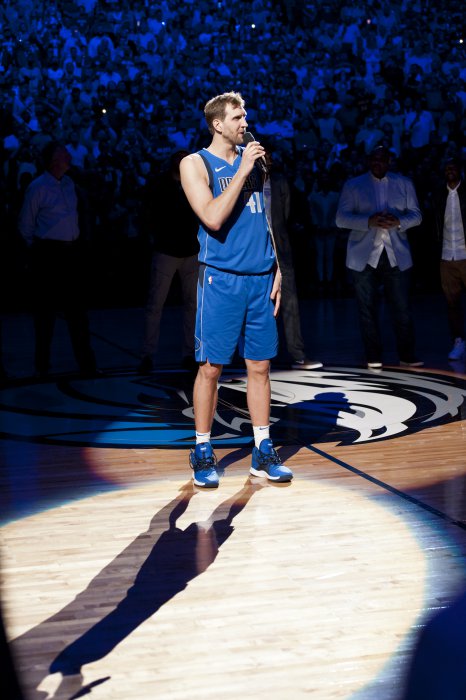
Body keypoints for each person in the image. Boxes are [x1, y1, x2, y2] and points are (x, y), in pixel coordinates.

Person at [180, 91, 293, 488]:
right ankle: (203, 449)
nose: (245, 122)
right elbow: (212, 217)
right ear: (218, 124)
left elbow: (269, 218)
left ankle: (262, 449)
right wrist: (243, 169)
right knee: (211, 367)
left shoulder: (256, 160)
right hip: (221, 279)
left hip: (261, 277)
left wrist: (278, 266)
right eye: (238, 117)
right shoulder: (195, 164)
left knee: (260, 366)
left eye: (245, 116)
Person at [335, 145, 423, 368]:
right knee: (366, 309)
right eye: (374, 159)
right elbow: (341, 219)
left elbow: (417, 215)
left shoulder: (404, 183)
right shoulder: (354, 185)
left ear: (389, 161)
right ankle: (373, 356)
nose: (378, 163)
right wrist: (368, 221)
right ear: (368, 161)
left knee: (402, 308)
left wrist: (399, 222)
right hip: (362, 256)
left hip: (396, 254)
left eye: (382, 159)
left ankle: (407, 355)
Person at [18, 141, 98, 378]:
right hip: (49, 253)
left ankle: (86, 363)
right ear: (54, 160)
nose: (68, 156)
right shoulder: (38, 187)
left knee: (77, 313)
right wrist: (39, 250)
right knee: (45, 314)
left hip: (70, 252)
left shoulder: (69, 183)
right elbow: (25, 225)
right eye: (63, 154)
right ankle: (42, 365)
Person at [138, 150, 199, 374]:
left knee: (191, 305)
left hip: (190, 251)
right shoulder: (160, 186)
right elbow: (148, 214)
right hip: (167, 251)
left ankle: (188, 353)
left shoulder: (194, 183)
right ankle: (147, 354)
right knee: (156, 304)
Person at [262, 145, 322, 369]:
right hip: (252, 251)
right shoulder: (244, 184)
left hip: (280, 251)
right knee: (255, 305)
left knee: (290, 302)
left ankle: (298, 354)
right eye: (262, 156)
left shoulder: (279, 184)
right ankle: (254, 356)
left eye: (268, 156)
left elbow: (284, 217)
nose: (266, 160)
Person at [432, 157, 466, 361]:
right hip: (446, 256)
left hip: (465, 254)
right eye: (447, 168)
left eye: (453, 167)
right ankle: (459, 341)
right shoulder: (438, 195)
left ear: (460, 170)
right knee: (452, 303)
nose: (450, 171)